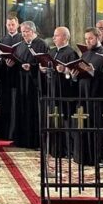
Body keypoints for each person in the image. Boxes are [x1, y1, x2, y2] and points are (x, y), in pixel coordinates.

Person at [70, 27, 103, 167]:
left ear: (98, 37)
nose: (87, 41)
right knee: (83, 125)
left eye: (90, 38)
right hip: (83, 97)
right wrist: (74, 76)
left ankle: (99, 158)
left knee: (97, 128)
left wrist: (93, 72)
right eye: (86, 39)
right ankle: (84, 157)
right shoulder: (85, 55)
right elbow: (79, 76)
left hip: (97, 98)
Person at [39, 26, 79, 157]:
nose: (54, 38)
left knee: (64, 120)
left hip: (65, 92)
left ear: (65, 38)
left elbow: (75, 74)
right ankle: (53, 148)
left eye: (57, 35)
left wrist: (65, 71)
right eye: (54, 35)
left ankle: (67, 151)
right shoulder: (51, 52)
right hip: (52, 91)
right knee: (52, 118)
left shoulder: (71, 53)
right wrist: (44, 69)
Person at [12, 20, 48, 148]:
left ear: (32, 31)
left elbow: (45, 64)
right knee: (21, 109)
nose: (23, 35)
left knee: (34, 111)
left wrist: (32, 67)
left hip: (35, 84)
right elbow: (18, 60)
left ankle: (34, 141)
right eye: (22, 32)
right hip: (22, 83)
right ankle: (21, 140)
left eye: (26, 32)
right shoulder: (21, 45)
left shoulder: (42, 44)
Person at [0, 15, 22, 140]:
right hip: (5, 76)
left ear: (18, 25)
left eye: (13, 24)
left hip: (18, 76)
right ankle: (5, 132)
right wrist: (4, 62)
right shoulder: (2, 40)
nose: (11, 27)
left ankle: (16, 132)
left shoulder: (22, 39)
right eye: (8, 25)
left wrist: (15, 61)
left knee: (17, 104)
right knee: (5, 104)